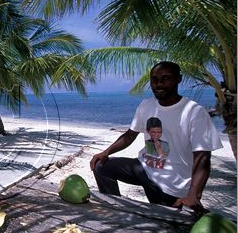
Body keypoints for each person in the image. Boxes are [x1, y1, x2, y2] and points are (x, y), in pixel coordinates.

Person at [90, 61, 223, 215]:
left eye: (166, 78)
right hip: (144, 168)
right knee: (101, 166)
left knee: (167, 225)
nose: (159, 84)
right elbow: (130, 135)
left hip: (171, 183)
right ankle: (115, 211)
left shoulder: (194, 112)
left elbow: (203, 158)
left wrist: (194, 193)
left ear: (178, 79)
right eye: (154, 79)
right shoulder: (146, 105)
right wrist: (106, 152)